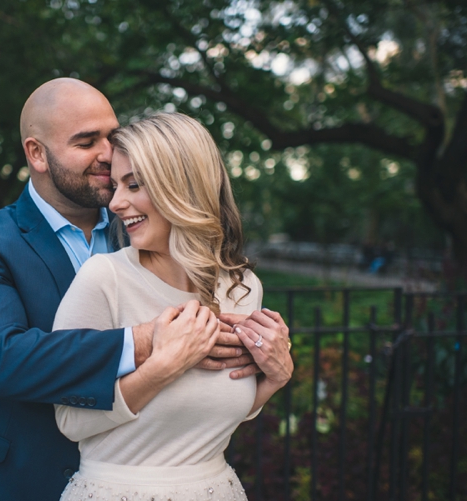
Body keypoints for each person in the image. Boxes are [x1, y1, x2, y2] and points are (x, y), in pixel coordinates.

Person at [0, 79, 271, 501]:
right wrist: (147, 339)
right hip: (15, 477)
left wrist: (266, 362)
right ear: (37, 153)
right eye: (86, 142)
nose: (107, 153)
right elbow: (1, 361)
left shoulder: (146, 229)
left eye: (111, 137)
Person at [53, 113, 294, 501]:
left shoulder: (242, 288)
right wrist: (165, 366)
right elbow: (70, 420)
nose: (115, 202)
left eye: (133, 184)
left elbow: (223, 412)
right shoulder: (103, 279)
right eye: (115, 185)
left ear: (182, 185)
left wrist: (274, 378)